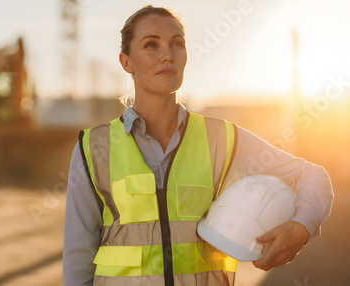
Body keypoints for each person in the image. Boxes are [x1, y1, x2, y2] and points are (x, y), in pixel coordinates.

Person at [63, 5, 333, 286]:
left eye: (177, 44)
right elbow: (78, 260)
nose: (167, 55)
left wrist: (302, 227)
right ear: (126, 62)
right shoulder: (93, 148)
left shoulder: (221, 138)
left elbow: (312, 176)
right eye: (151, 45)